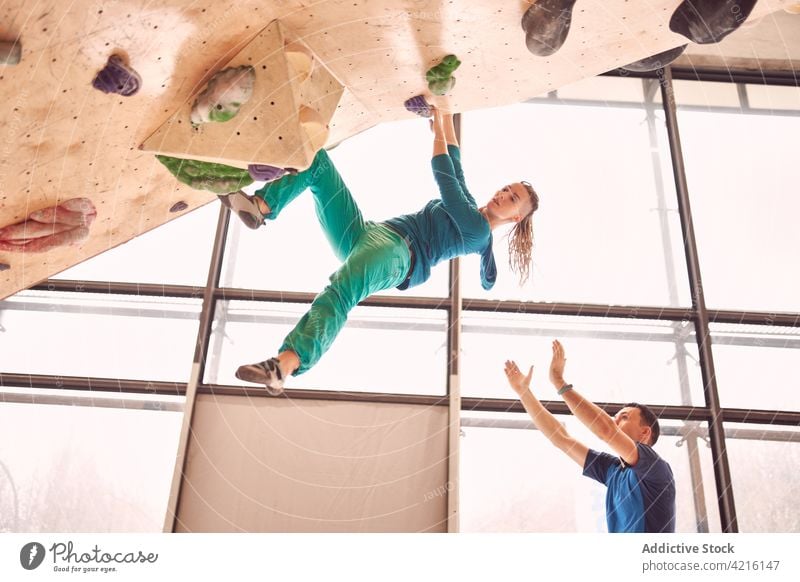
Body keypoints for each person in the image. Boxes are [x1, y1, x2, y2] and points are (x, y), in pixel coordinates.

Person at [224, 103, 540, 395]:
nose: (502, 194)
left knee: (340, 292)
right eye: (505, 188)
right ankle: (261, 206)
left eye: (512, 198)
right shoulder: (472, 207)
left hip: (397, 253)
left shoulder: (477, 230)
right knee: (317, 163)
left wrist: (441, 120)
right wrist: (441, 112)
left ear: (514, 217)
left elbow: (444, 172)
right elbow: (455, 160)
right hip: (368, 234)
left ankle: (286, 364)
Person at [504, 340, 676, 533]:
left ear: (645, 432)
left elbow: (606, 430)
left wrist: (558, 381)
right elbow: (560, 438)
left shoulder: (656, 468)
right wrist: (524, 392)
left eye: (624, 417)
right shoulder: (613, 471)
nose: (615, 421)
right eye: (615, 417)